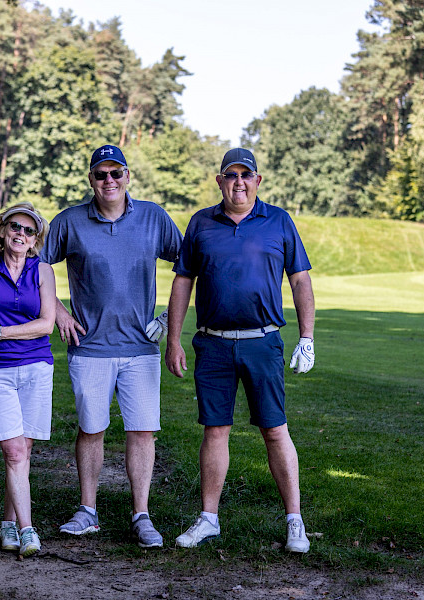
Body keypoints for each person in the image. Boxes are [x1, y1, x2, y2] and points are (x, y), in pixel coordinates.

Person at [165, 148, 316, 553]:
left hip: (263, 343)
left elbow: (300, 281)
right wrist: (173, 338)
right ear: (219, 181)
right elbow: (183, 282)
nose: (238, 182)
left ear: (257, 180)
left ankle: (295, 521)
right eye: (230, 175)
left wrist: (306, 337)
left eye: (245, 175)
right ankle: (209, 519)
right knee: (215, 430)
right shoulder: (201, 223)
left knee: (274, 429)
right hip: (212, 343)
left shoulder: (279, 221)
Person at [40, 144, 182, 548]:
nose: (109, 181)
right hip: (90, 348)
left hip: (141, 349)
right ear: (91, 179)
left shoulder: (153, 217)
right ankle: (88, 511)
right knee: (91, 429)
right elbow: (37, 264)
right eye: (101, 174)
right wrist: (59, 314)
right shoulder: (69, 221)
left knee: (142, 432)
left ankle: (141, 515)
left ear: (127, 176)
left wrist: (168, 322)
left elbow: (189, 265)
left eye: (116, 173)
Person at [0, 202, 56, 558]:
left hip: (38, 366)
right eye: (14, 227)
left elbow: (46, 324)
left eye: (28, 230)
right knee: (13, 451)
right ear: (2, 230)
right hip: (2, 371)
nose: (20, 234)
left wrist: (2, 331)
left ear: (35, 238)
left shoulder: (43, 271)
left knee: (23, 453)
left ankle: (8, 524)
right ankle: (28, 530)